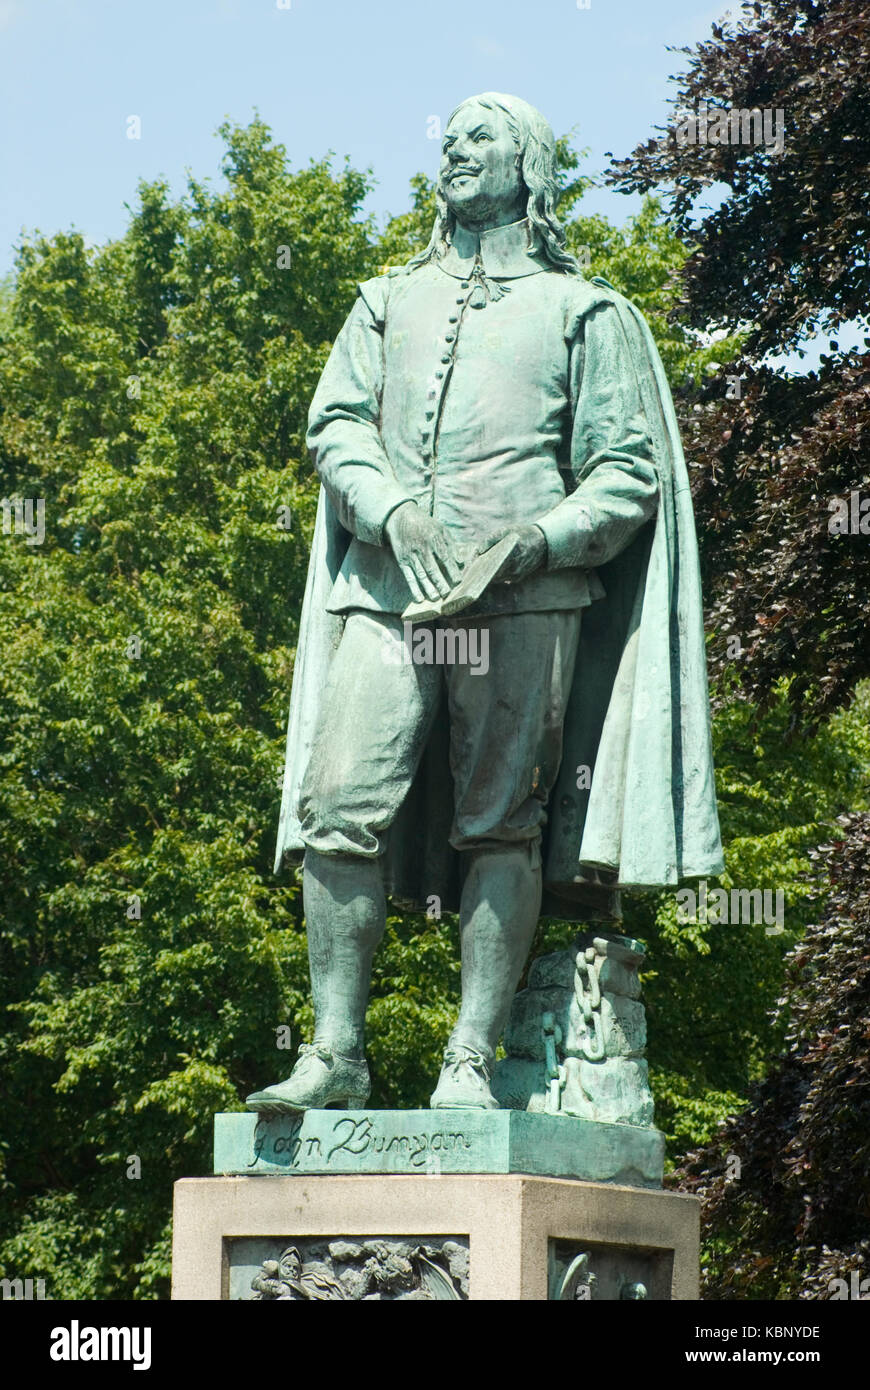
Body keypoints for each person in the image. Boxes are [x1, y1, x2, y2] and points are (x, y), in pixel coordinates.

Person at [247, 92, 722, 1115]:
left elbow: (627, 471)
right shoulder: (384, 300)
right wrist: (391, 514)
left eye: (482, 135)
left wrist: (532, 541)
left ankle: (470, 1052)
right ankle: (336, 1050)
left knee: (503, 825)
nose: (457, 147)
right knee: (335, 807)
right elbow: (335, 425)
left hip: (527, 599)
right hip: (387, 592)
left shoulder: (585, 313)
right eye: (450, 135)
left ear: (530, 166)